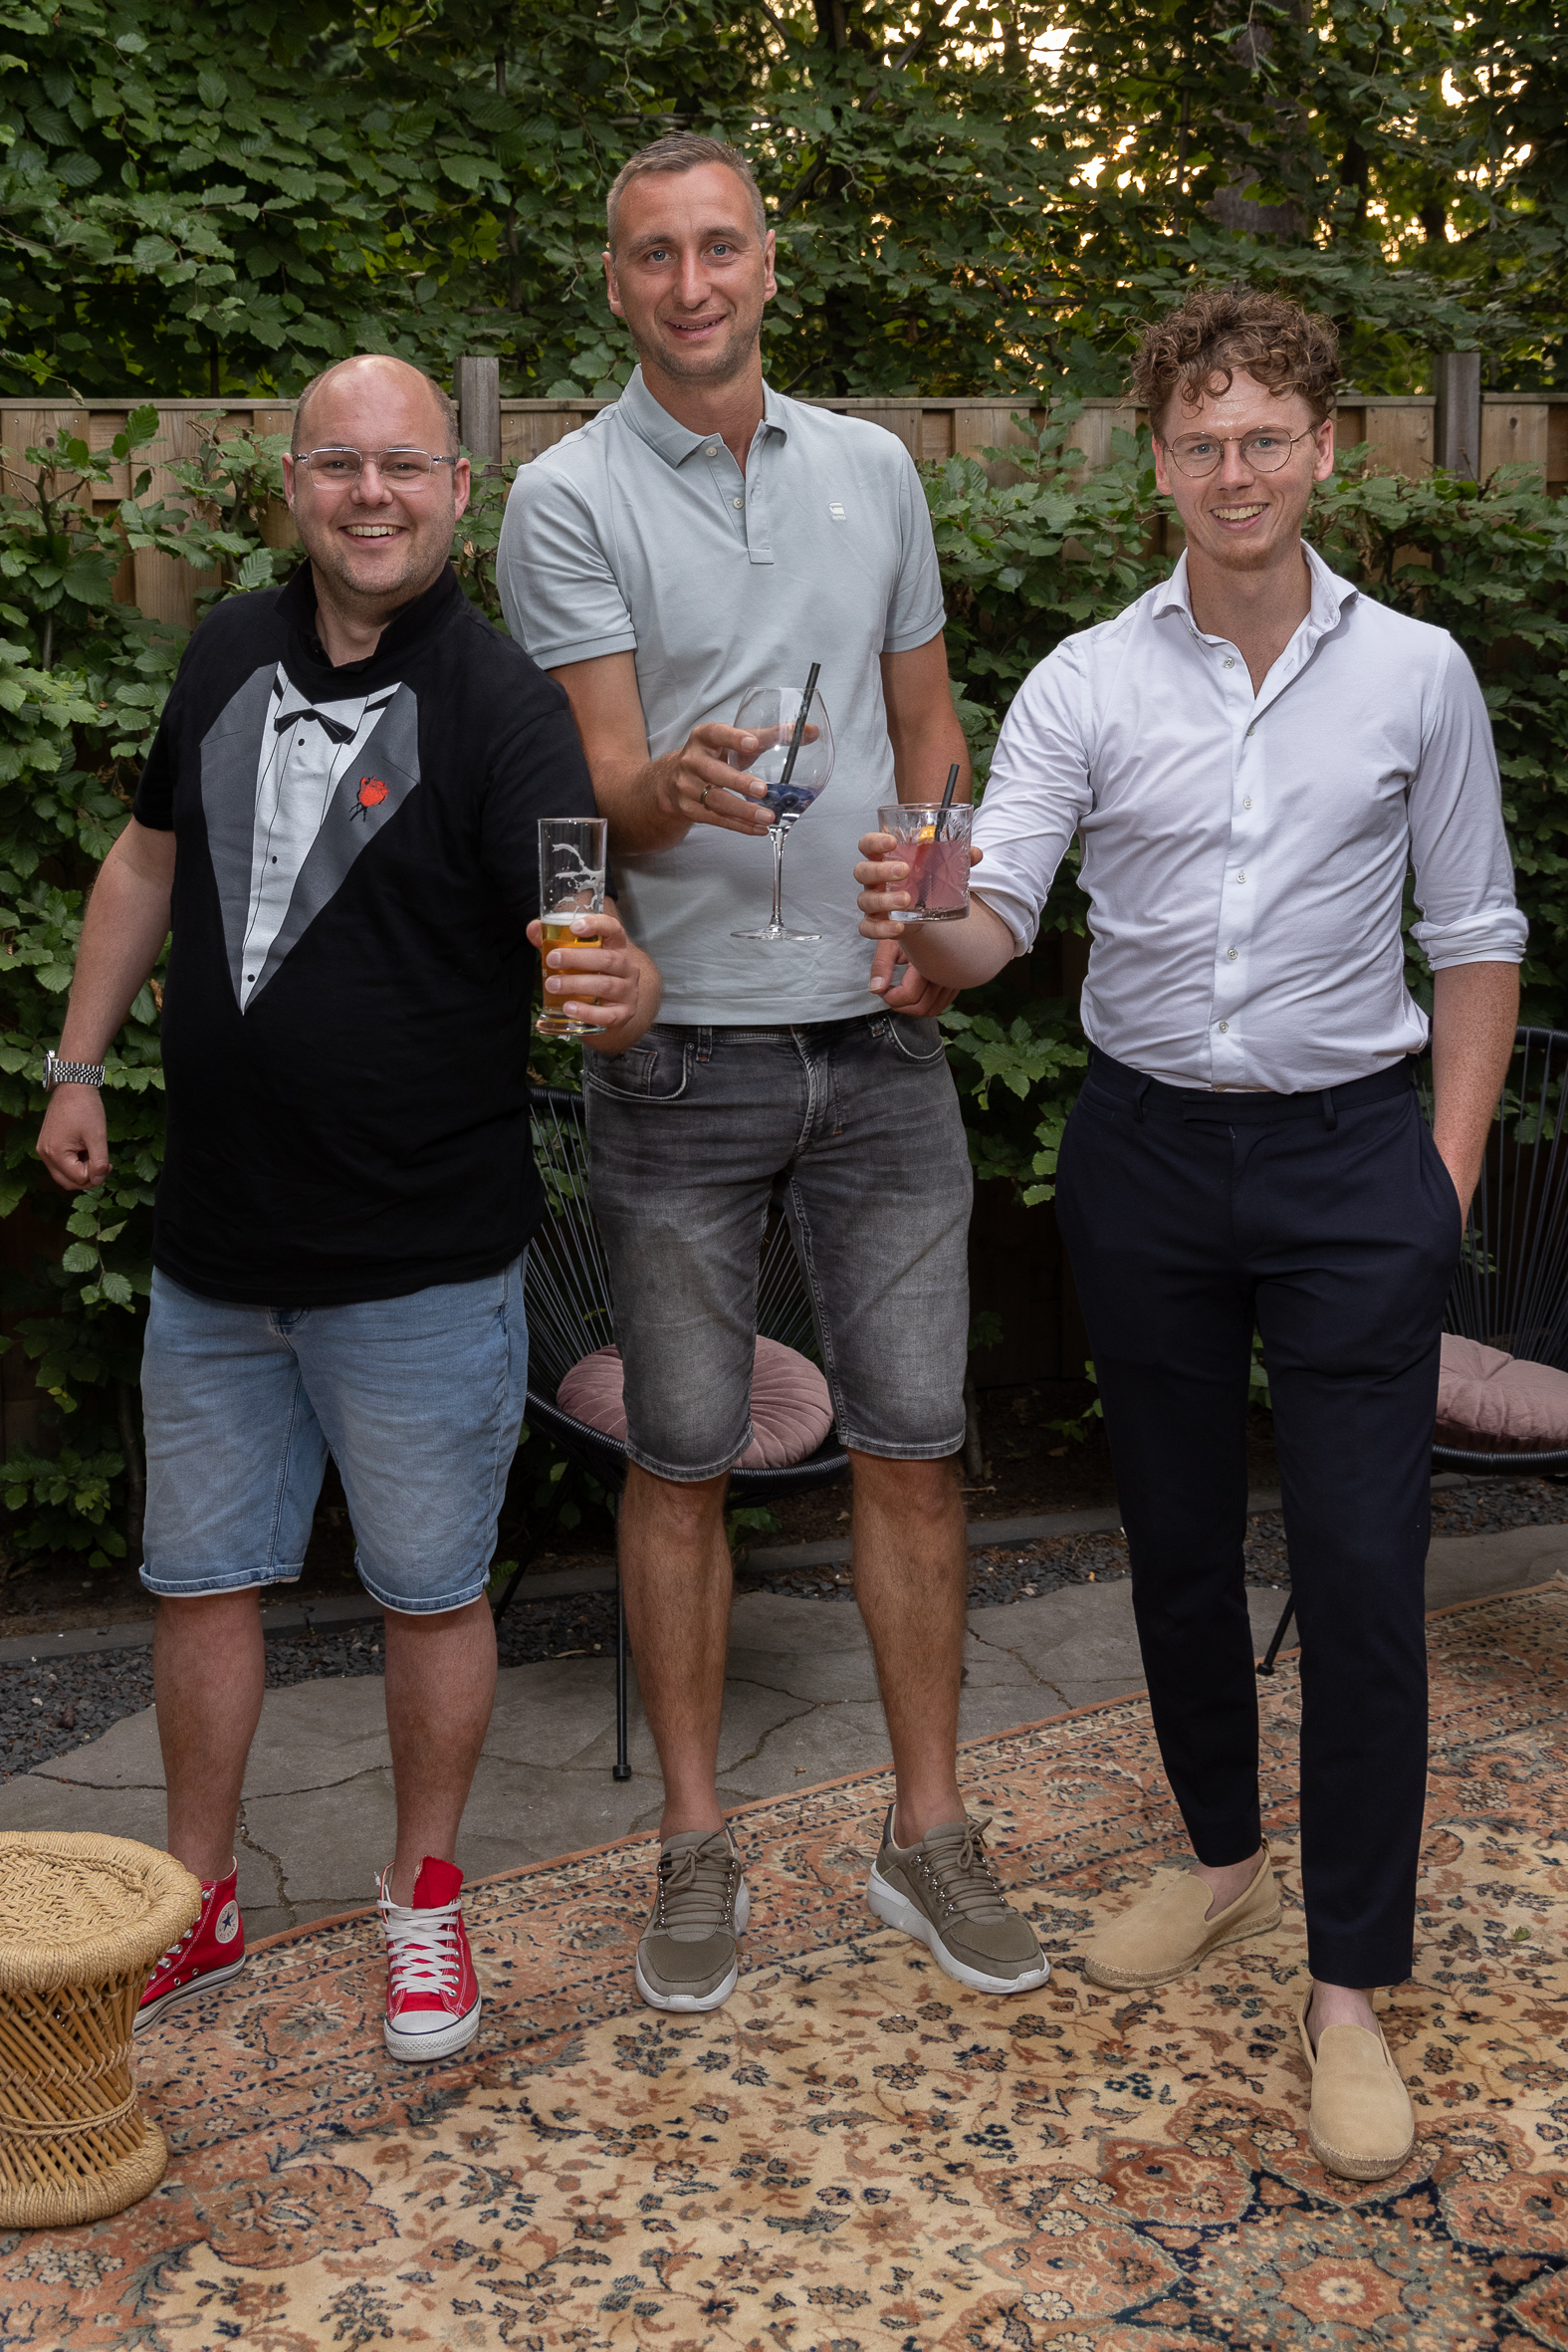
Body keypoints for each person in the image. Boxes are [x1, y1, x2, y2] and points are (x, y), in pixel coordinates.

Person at [855, 283, 1524, 2180]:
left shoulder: (1418, 675)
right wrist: (923, 909)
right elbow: (997, 923)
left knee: (1364, 1569)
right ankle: (1223, 1856)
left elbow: (1477, 933)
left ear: (1325, 450)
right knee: (1170, 1538)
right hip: (1143, 1154)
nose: (1235, 470)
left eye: (1266, 437)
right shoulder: (1087, 681)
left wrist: (1441, 1176)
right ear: (1155, 462)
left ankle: (1351, 1984)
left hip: (1351, 1163)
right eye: (1200, 439)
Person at [37, 353, 659, 2063]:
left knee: (432, 1596)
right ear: (294, 484)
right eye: (338, 463)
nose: (369, 493)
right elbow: (147, 857)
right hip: (215, 1254)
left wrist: (618, 987)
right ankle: (197, 1896)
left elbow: (585, 925)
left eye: (403, 465)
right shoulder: (225, 650)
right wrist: (77, 1061)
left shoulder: (509, 707)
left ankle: (424, 1900)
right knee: (199, 1584)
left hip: (420, 1264)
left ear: (459, 490)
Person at [498, 131, 1048, 2014]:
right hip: (678, 1059)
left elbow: (929, 722)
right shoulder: (564, 495)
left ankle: (927, 1832)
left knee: (917, 1447)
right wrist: (675, 788)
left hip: (881, 1041)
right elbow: (592, 784)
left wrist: (939, 912)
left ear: (769, 261)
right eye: (654, 253)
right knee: (680, 1462)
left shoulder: (875, 467)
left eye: (718, 245)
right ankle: (695, 1843)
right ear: (615, 281)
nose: (692, 283)